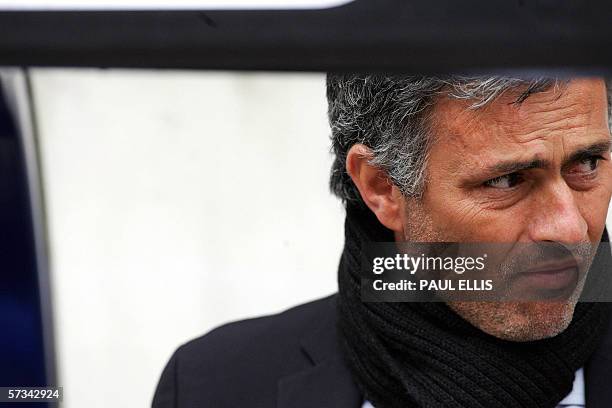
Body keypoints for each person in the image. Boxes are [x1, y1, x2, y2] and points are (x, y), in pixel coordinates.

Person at [152, 75, 612, 408]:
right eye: (508, 180)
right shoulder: (213, 386)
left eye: (588, 163)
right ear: (382, 188)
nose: (569, 228)